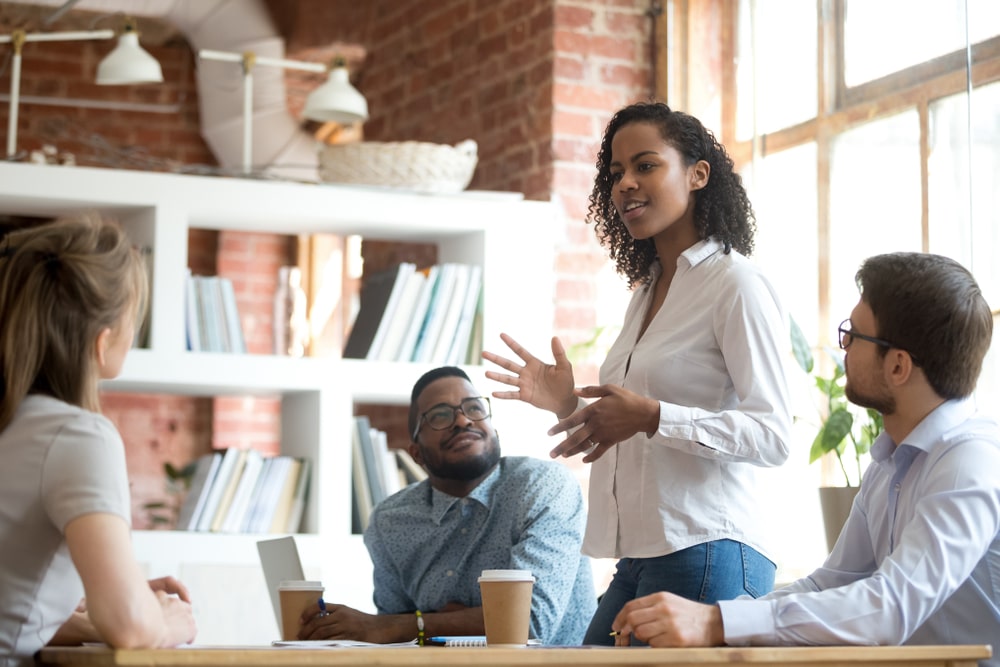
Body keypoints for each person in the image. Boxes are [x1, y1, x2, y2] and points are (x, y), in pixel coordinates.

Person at [482, 101, 792, 645]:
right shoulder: (647, 293)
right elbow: (636, 423)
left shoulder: (735, 285)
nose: (625, 183)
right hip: (642, 556)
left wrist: (651, 416)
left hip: (711, 548)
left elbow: (772, 435)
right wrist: (566, 405)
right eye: (615, 173)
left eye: (645, 165)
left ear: (698, 174)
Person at [612, 252, 1000, 661]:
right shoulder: (892, 463)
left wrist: (716, 624)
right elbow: (828, 585)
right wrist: (714, 617)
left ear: (899, 366)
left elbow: (890, 607)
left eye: (854, 335)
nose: (844, 346)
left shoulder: (969, 462)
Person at [0, 216, 197, 667]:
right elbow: (130, 626)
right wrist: (165, 620)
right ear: (103, 341)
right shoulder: (77, 435)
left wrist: (112, 607)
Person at [296, 366, 596, 645]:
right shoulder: (390, 521)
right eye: (440, 416)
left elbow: (527, 623)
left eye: (475, 408)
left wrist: (420, 624)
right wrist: (439, 623)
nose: (463, 420)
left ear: (495, 432)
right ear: (416, 454)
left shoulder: (542, 486)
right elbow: (396, 639)